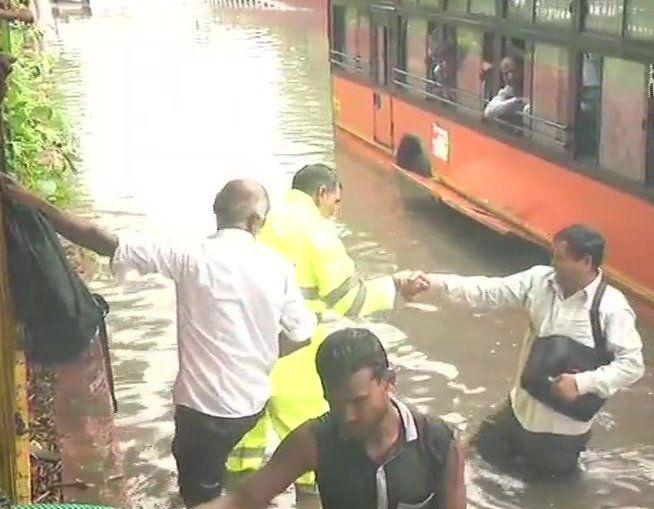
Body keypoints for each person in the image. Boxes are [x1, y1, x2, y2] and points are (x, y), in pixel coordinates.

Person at [0, 175, 317, 508]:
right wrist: (262, 356)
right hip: (251, 405)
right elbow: (302, 333)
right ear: (256, 221)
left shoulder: (191, 255)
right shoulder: (278, 267)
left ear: (216, 211)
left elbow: (101, 239)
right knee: (229, 474)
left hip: (203, 413)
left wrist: (32, 200)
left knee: (199, 495)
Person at [227, 164, 427, 484]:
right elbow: (349, 299)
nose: (336, 212)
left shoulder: (261, 222)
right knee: (314, 456)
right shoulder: (315, 230)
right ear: (322, 193)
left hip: (244, 349)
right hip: (292, 355)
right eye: (336, 202)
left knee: (244, 449)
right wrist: (395, 287)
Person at [416, 224, 644, 477]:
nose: (553, 263)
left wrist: (582, 382)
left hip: (559, 434)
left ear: (586, 261)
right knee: (468, 454)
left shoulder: (611, 308)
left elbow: (632, 364)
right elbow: (488, 291)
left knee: (548, 491)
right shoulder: (539, 282)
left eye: (560, 257)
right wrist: (432, 283)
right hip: (517, 408)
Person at [201, 328, 466, 509]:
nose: (347, 417)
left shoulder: (439, 441)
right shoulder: (315, 440)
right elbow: (244, 500)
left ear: (389, 382)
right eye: (335, 403)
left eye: (358, 401)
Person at [483, 55, 527, 127]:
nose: (510, 77)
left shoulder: (532, 89)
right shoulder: (508, 90)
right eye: (506, 73)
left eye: (513, 72)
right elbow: (489, 111)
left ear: (522, 71)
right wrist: (516, 101)